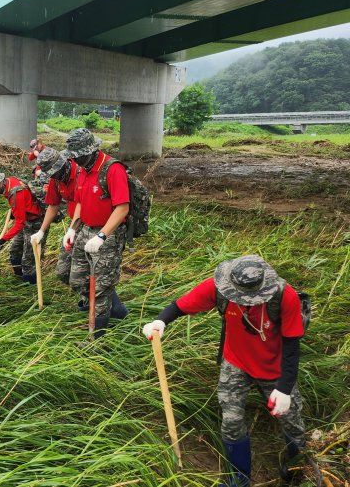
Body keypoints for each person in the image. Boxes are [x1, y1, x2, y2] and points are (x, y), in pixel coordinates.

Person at [142, 255, 307, 487]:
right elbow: (181, 305)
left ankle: (298, 469)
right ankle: (239, 478)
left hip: (275, 368)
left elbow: (292, 347)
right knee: (231, 420)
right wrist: (160, 322)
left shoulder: (284, 296)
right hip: (236, 362)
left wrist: (285, 389)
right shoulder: (219, 288)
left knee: (292, 421)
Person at [31, 147, 128, 319]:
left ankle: (110, 309)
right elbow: (53, 205)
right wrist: (42, 231)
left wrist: (100, 235)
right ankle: (92, 300)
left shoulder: (82, 171)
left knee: (100, 276)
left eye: (56, 172)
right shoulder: (56, 179)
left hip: (96, 226)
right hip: (77, 226)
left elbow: (115, 206)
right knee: (64, 272)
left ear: (64, 164)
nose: (55, 177)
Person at [62, 128, 130, 338]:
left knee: (99, 287)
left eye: (80, 156)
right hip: (85, 229)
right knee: (77, 279)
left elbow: (122, 208)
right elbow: (81, 201)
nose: (77, 161)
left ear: (91, 151)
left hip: (108, 233)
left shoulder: (112, 169)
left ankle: (97, 337)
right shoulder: (83, 170)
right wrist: (72, 229)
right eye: (75, 158)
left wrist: (102, 236)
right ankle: (117, 310)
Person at [0, 168, 45, 284]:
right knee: (15, 251)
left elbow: (19, 223)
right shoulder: (8, 183)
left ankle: (30, 288)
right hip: (26, 217)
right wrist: (15, 211)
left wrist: (2, 240)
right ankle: (19, 280)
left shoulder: (16, 193)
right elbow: (20, 207)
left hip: (36, 222)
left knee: (29, 260)